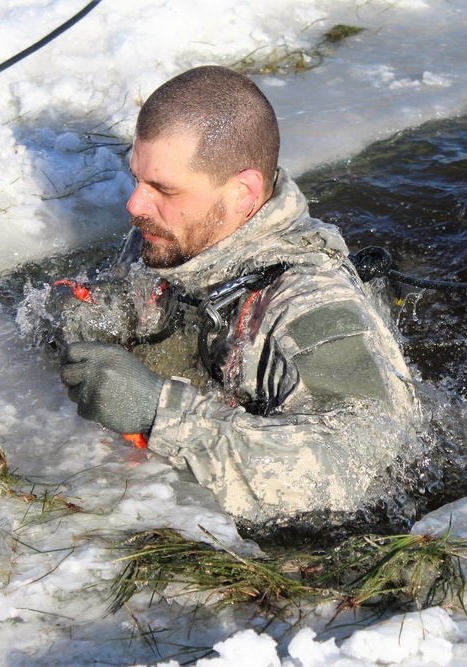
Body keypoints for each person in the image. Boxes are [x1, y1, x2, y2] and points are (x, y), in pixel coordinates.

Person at [56, 66, 419, 525]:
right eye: (138, 179)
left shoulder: (310, 303)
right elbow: (123, 302)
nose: (135, 205)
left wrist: (159, 411)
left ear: (243, 192)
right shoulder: (168, 236)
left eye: (163, 188)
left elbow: (367, 462)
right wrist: (80, 311)